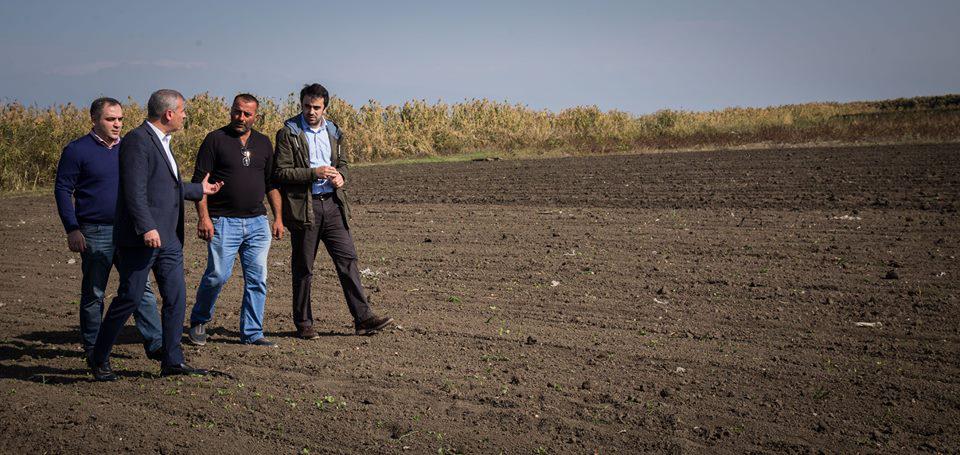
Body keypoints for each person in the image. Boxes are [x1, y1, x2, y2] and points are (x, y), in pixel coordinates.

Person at [88, 89, 223, 381]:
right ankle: (98, 358)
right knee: (130, 297)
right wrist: (147, 227)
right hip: (143, 238)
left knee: (176, 297)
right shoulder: (138, 141)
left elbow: (165, 187)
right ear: (169, 114)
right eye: (183, 111)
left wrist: (200, 190)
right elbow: (134, 191)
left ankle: (172, 360)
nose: (186, 115)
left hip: (169, 239)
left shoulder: (163, 141)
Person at [273, 83, 393, 339]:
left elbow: (345, 164)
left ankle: (363, 319)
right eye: (307, 106)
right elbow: (281, 172)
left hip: (333, 205)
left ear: (325, 108)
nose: (311, 111)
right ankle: (304, 323)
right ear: (301, 105)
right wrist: (313, 173)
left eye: (316, 107)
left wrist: (341, 177)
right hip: (305, 207)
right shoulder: (288, 133)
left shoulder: (334, 131)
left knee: (348, 261)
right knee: (304, 267)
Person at [54, 97, 164, 362]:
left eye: (120, 119)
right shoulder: (77, 150)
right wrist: (72, 228)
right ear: (94, 119)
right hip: (95, 231)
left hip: (129, 230)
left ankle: (157, 344)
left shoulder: (129, 148)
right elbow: (63, 190)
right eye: (110, 119)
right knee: (94, 291)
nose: (117, 124)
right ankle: (93, 346)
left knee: (141, 288)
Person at [187, 94, 283, 347]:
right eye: (237, 112)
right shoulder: (215, 139)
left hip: (257, 223)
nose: (240, 118)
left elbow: (271, 183)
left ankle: (252, 333)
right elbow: (200, 183)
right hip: (222, 222)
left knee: (257, 278)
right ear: (231, 111)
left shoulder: (263, 143)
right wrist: (204, 218)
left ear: (255, 117)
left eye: (246, 114)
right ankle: (199, 320)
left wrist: (278, 218)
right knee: (217, 274)